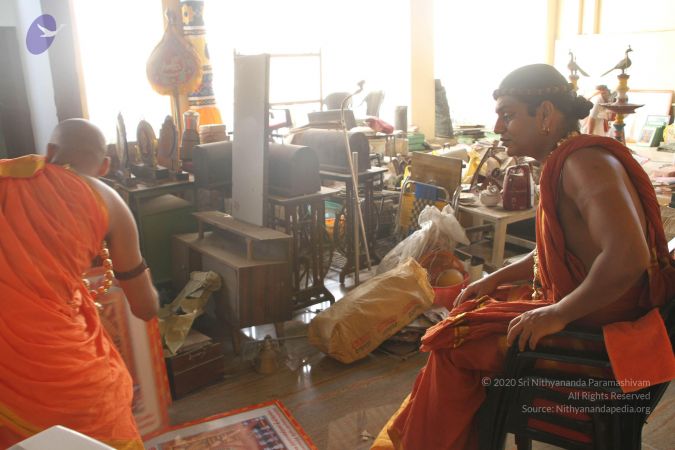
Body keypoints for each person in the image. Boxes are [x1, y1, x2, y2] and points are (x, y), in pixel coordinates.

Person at [381, 64, 675, 449]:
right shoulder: (567, 160)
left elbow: (627, 257)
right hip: (591, 310)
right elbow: (557, 249)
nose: (498, 127)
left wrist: (557, 313)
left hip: (599, 334)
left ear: (546, 114)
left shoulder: (583, 164)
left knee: (453, 342)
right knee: (473, 309)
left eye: (508, 115)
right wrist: (493, 278)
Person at [0, 119, 159, 449]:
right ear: (104, 165)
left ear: (50, 152)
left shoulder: (7, 178)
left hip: (8, 373)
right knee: (99, 426)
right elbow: (145, 307)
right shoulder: (108, 199)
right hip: (61, 366)